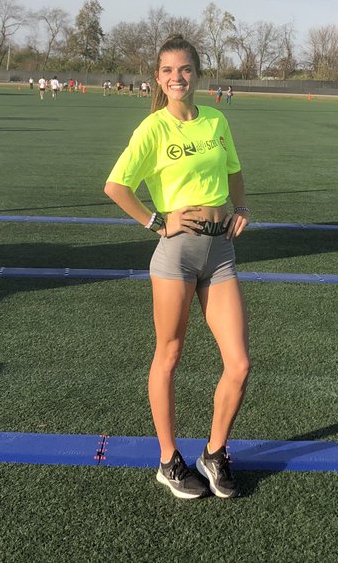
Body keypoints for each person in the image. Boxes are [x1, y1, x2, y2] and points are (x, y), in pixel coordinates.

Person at [104, 34, 251, 501]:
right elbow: (116, 185)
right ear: (158, 78)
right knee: (168, 356)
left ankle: (214, 452)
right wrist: (155, 220)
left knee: (240, 363)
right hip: (176, 254)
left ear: (197, 74)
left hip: (220, 251)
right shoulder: (153, 128)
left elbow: (234, 169)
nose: (176, 78)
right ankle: (169, 461)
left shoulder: (216, 119)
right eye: (168, 71)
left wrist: (241, 206)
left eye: (184, 69)